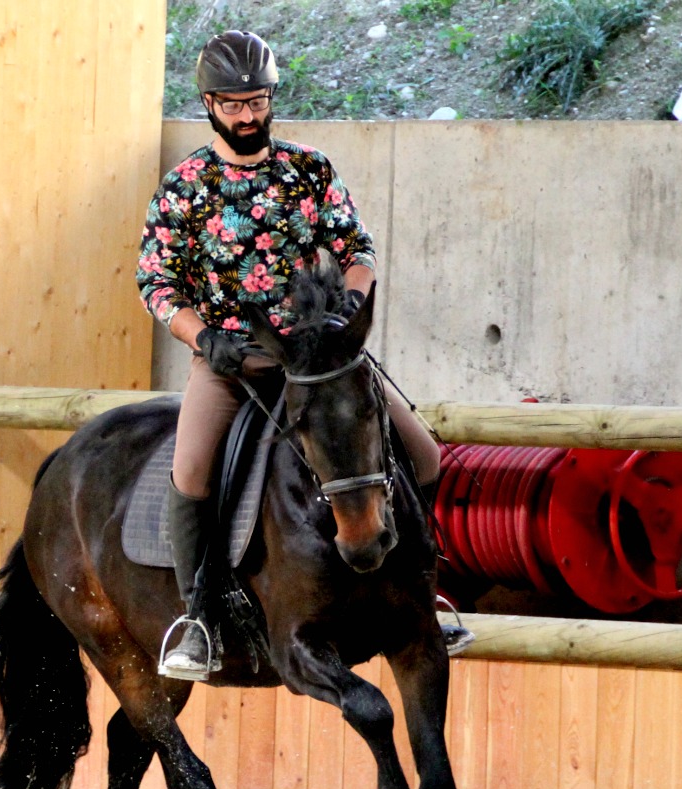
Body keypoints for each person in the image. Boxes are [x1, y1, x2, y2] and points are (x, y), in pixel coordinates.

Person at [137, 29, 472, 678]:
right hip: (232, 363)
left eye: (257, 101)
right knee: (192, 473)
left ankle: (422, 595)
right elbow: (156, 282)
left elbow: (358, 251)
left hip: (318, 358)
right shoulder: (185, 188)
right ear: (209, 104)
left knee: (424, 452)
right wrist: (201, 337)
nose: (248, 115)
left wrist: (349, 306)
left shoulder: (308, 170)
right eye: (233, 105)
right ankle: (200, 620)